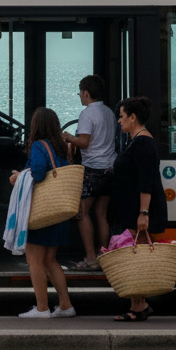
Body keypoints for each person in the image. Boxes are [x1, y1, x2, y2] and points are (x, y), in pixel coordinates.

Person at [9, 107, 77, 319]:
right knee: (50, 260)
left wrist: (18, 176)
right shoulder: (62, 148)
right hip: (57, 211)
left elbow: (37, 173)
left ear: (36, 126)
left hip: (41, 213)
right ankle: (65, 305)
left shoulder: (39, 146)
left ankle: (42, 308)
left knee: (35, 260)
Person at [109, 96, 166, 321]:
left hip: (138, 212)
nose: (119, 121)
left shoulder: (143, 143)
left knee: (136, 258)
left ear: (133, 118)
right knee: (135, 257)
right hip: (131, 210)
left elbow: (146, 182)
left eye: (121, 117)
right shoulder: (137, 141)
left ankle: (139, 306)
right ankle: (138, 304)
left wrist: (143, 214)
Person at [62, 74, 115, 271]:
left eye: (80, 93)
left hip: (92, 169)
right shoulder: (109, 112)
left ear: (86, 93)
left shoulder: (87, 114)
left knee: (81, 213)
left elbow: (83, 142)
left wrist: (67, 137)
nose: (80, 96)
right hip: (110, 169)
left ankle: (91, 258)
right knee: (101, 215)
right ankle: (104, 257)